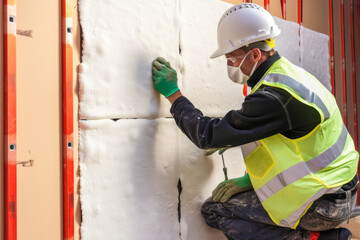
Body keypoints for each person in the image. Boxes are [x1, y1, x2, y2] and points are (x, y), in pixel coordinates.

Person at [152, 3, 359, 240]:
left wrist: (173, 94)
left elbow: (207, 136)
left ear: (254, 54)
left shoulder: (275, 96)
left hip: (324, 203)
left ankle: (320, 238)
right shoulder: (288, 77)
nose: (229, 65)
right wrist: (250, 179)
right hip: (339, 189)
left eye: (231, 58)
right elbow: (289, 138)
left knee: (215, 211)